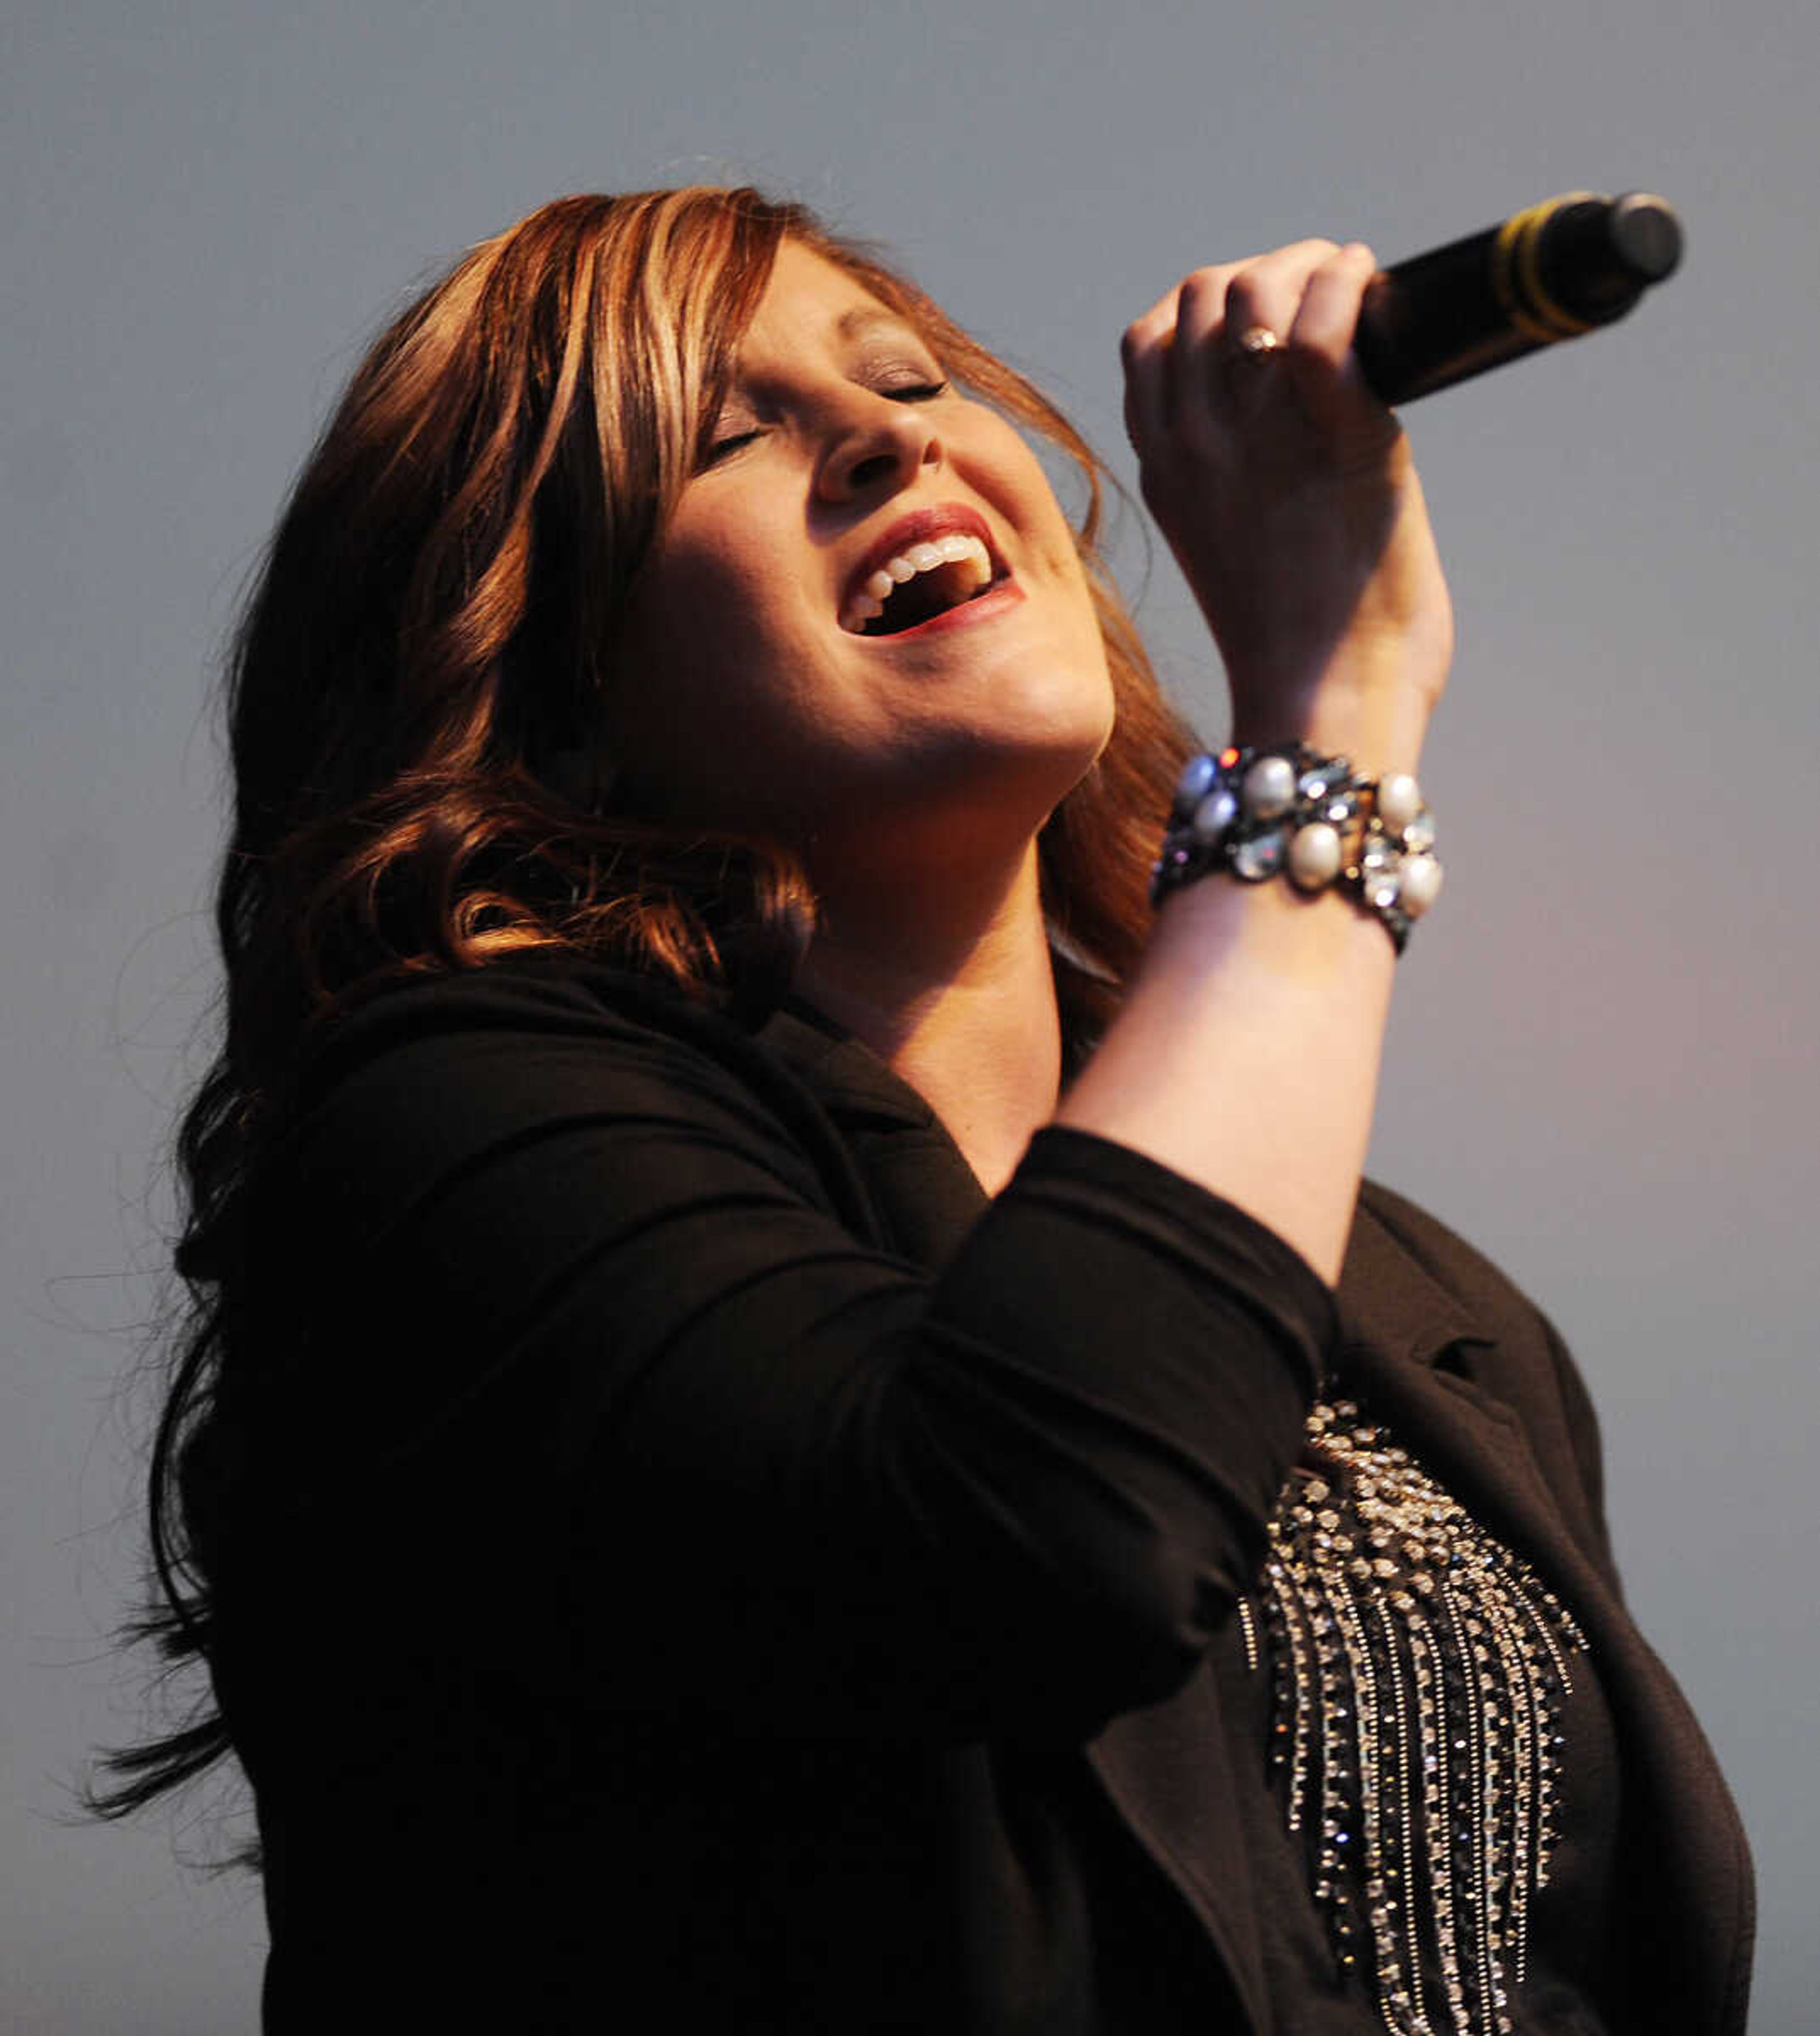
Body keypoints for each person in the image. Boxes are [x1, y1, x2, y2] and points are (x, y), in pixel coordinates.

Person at [99, 187, 1753, 2034]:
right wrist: (1331, 731)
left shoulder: (1419, 1303)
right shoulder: (445, 1150)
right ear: (555, 688)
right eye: (729, 434)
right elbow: (1038, 1533)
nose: (894, 431)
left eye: (908, 377)